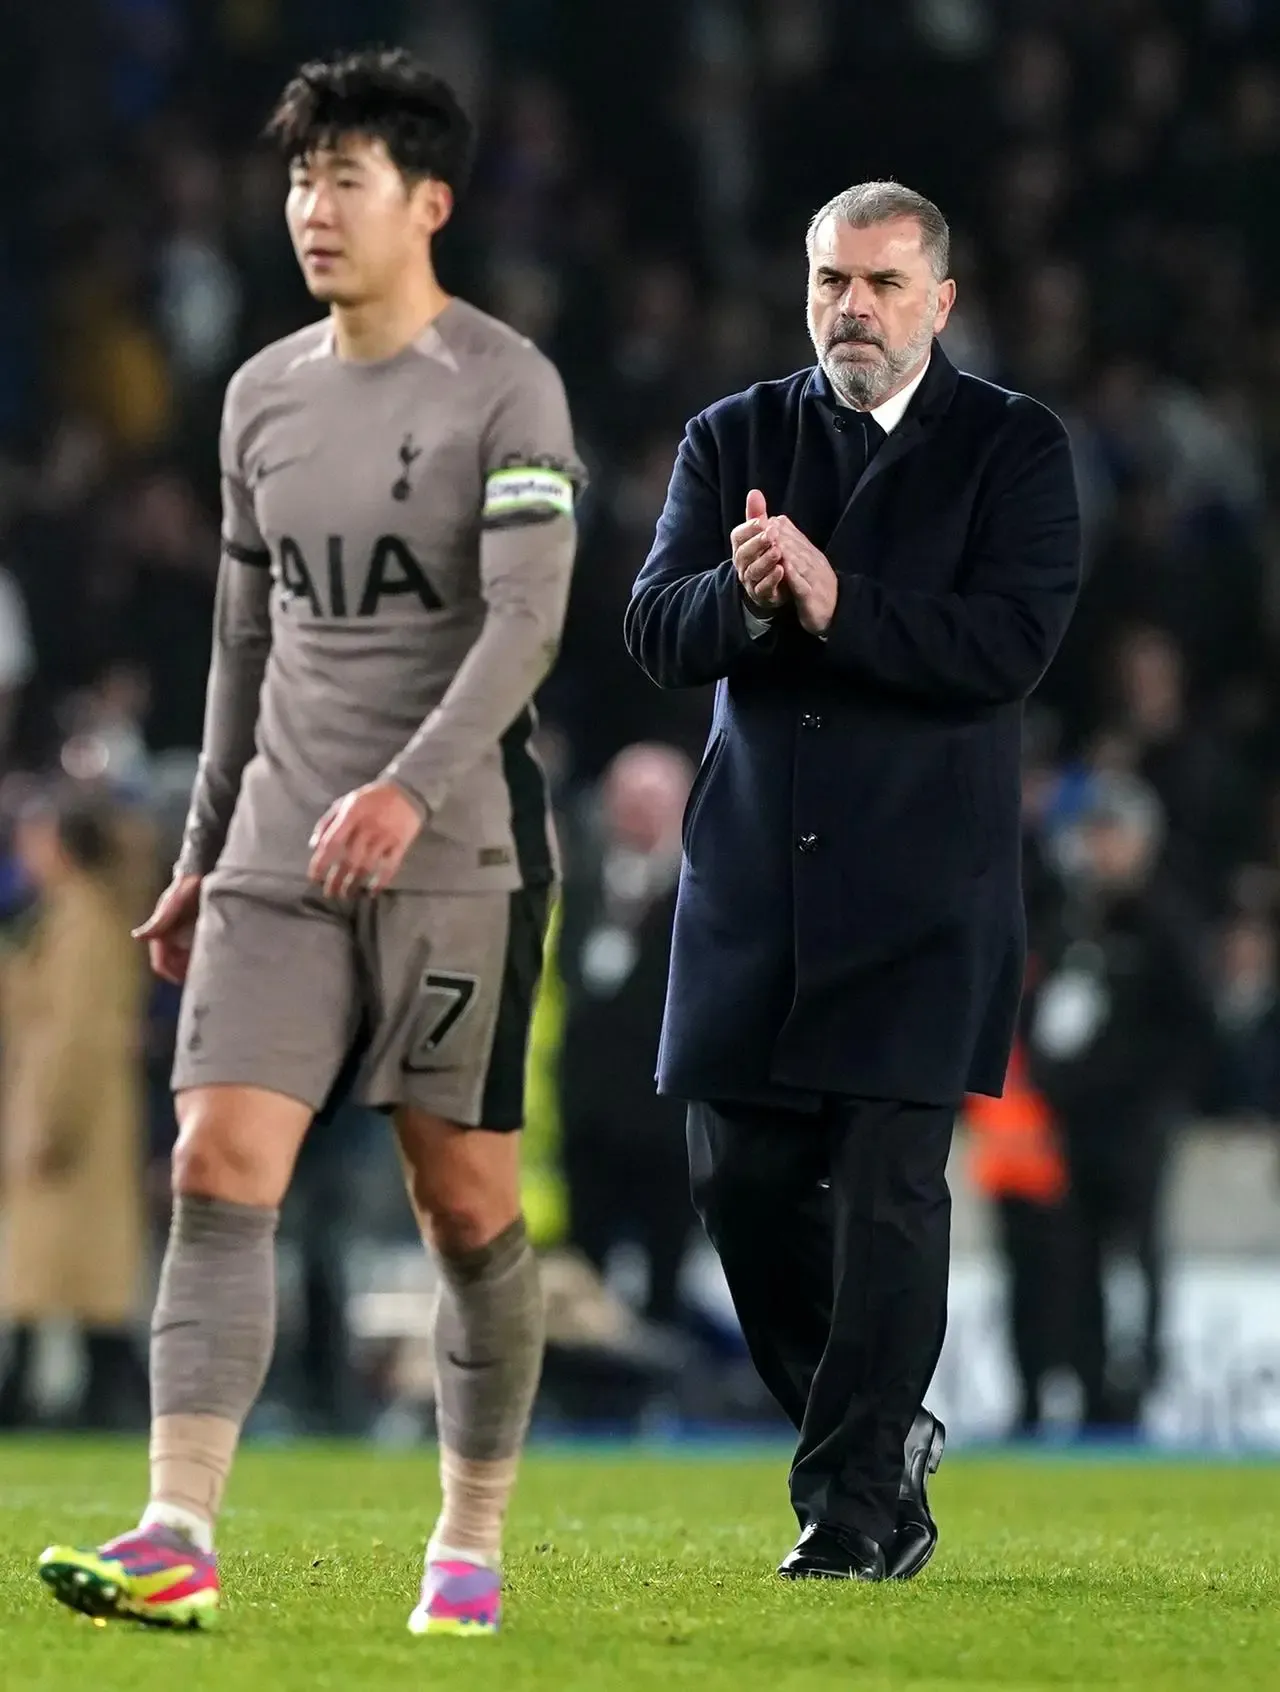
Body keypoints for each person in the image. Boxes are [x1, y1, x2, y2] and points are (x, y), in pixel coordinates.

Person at [37, 48, 584, 1637]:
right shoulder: (259, 395)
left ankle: (468, 1540)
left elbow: (530, 615)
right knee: (217, 1163)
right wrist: (204, 850)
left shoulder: (507, 385)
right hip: (280, 845)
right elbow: (242, 644)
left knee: (465, 1207)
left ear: (431, 203)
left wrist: (410, 783)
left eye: (343, 179)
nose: (311, 209)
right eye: (297, 179)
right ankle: (174, 1528)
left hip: (458, 852)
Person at [625, 180, 1080, 1580]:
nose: (854, 309)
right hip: (757, 889)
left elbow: (1009, 649)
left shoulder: (1012, 447)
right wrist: (746, 597)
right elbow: (654, 631)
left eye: (884, 285)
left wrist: (836, 602)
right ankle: (882, 1445)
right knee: (742, 1190)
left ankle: (850, 1508)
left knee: (890, 1193)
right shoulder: (731, 437)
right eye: (832, 282)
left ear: (940, 302)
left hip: (922, 898)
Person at [1025, 773, 1213, 1432]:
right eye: (1092, 834)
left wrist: (1155, 1094)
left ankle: (1141, 1387)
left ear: (1142, 841)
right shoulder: (1071, 919)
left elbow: (1194, 1023)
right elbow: (1038, 1013)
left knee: (1136, 1255)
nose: (1098, 849)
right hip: (1074, 1123)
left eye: (1111, 834)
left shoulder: (1166, 921)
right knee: (1075, 1260)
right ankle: (1088, 1386)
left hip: (1138, 1124)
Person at [0, 788, 153, 1430]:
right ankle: (87, 1394)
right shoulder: (66, 917)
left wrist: (50, 1120)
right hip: (63, 1110)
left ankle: (84, 1399)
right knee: (63, 1277)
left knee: (67, 1274)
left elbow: (77, 1032)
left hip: (73, 1119)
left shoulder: (84, 921)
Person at [557, 743, 695, 1327]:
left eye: (653, 801)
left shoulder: (708, 887)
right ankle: (590, 1400)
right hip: (589, 1115)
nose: (639, 815)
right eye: (629, 800)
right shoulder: (580, 883)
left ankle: (663, 1400)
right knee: (585, 1267)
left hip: (671, 1118)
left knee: (666, 1271)